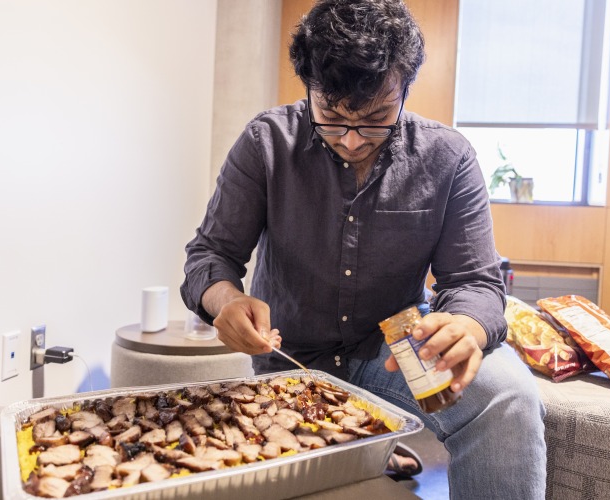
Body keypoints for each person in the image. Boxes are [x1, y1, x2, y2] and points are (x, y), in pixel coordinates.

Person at [181, 0, 546, 497]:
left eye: (376, 118)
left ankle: (373, 441)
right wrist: (224, 300)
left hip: (396, 350)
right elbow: (210, 255)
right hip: (293, 355)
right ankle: (368, 444)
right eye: (330, 115)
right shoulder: (265, 142)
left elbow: (474, 282)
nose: (351, 140)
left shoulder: (448, 156)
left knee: (508, 397)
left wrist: (468, 323)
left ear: (404, 89)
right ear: (307, 87)